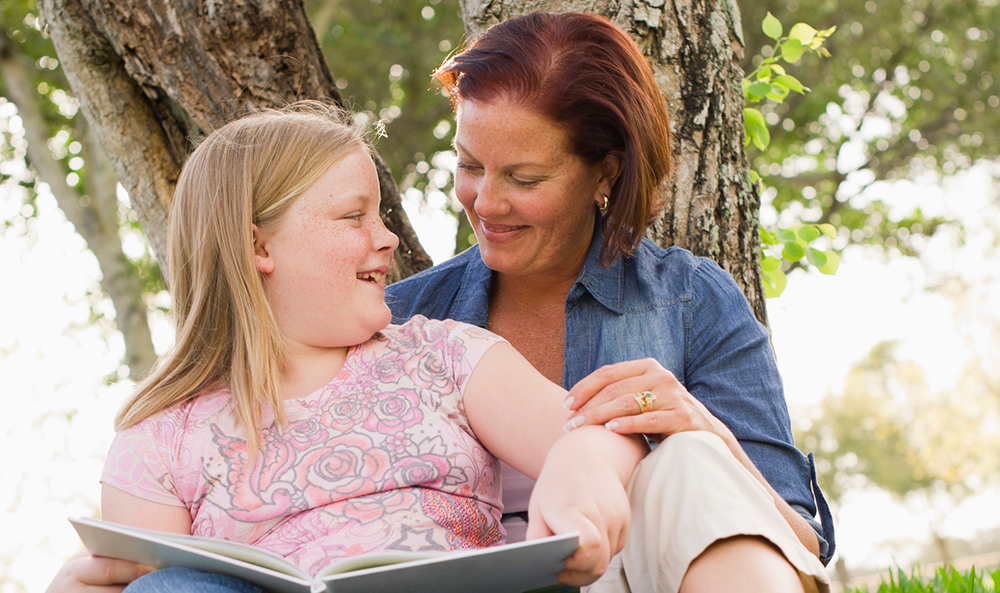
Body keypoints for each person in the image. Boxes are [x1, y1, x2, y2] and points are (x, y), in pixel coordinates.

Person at [45, 103, 648, 592]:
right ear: (259, 246)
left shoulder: (444, 356)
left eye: (380, 214)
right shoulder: (160, 437)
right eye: (353, 216)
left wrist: (583, 467)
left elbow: (601, 430)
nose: (386, 238)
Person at [386, 11, 835, 592]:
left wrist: (707, 434)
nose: (486, 201)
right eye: (470, 165)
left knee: (688, 458)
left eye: (524, 178)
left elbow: (800, 550)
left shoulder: (691, 301)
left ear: (606, 173)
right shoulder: (403, 319)